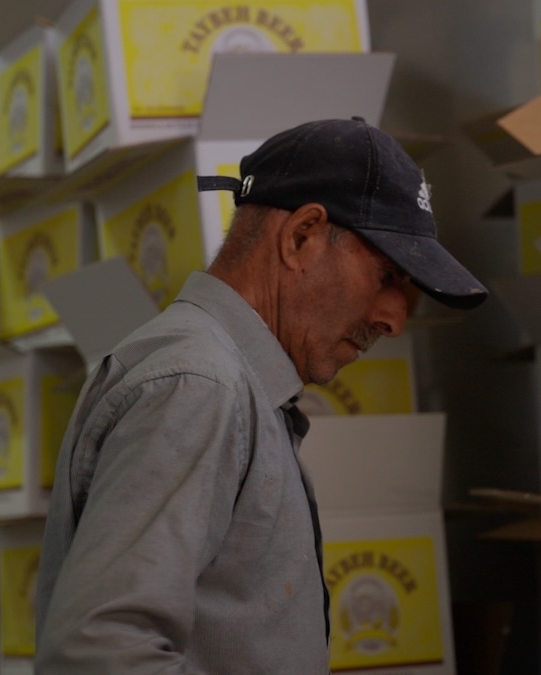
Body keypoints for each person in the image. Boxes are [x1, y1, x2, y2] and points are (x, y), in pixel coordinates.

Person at [35, 116, 487, 673]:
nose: (395, 319)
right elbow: (100, 652)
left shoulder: (229, 382)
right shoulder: (200, 387)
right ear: (302, 236)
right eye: (388, 277)